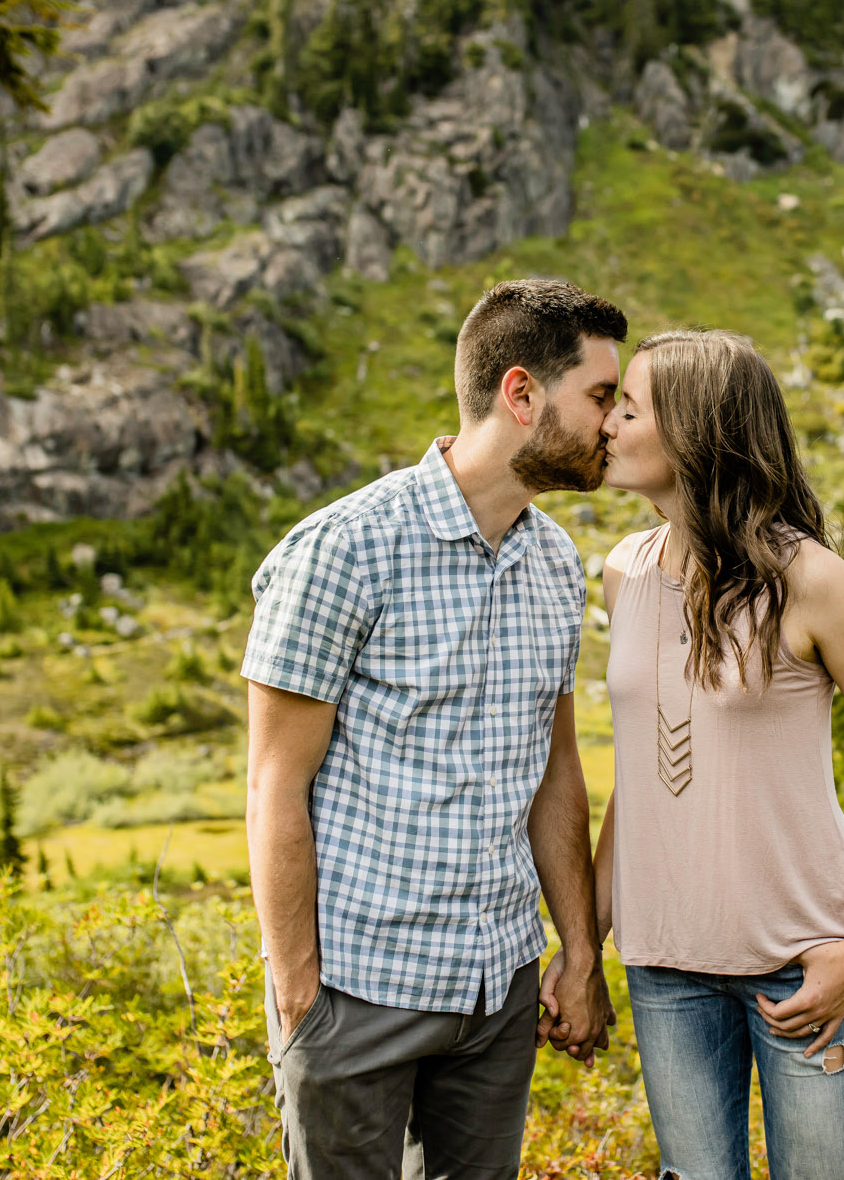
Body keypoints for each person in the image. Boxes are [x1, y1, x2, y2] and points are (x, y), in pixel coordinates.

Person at [243, 278, 625, 1180]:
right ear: (522, 393)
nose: (615, 423)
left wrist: (580, 954)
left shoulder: (556, 563)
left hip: (497, 996)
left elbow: (555, 773)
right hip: (355, 995)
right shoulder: (342, 550)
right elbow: (273, 785)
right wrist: (299, 994)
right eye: (602, 396)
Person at [591, 329, 844, 1180]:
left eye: (630, 409)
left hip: (805, 966)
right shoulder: (620, 573)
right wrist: (584, 944)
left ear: (694, 433)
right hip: (664, 966)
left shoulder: (811, 581)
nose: (607, 425)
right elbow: (639, 780)